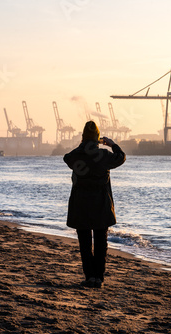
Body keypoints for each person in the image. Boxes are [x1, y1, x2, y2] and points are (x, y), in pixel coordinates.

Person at [63, 121, 126, 288]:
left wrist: (84, 145)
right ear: (97, 138)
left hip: (81, 206)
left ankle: (89, 276)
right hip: (101, 206)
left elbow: (67, 157)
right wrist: (112, 145)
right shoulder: (104, 156)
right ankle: (98, 278)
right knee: (100, 243)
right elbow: (121, 157)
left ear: (83, 137)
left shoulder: (76, 156)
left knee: (84, 243)